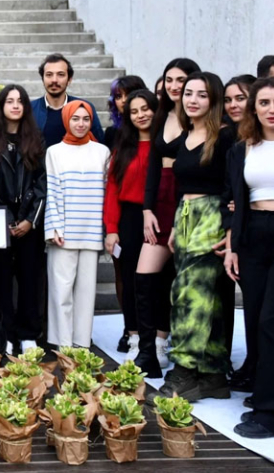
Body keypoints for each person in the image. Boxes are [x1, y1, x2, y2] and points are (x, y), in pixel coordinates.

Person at [148, 72, 237, 402]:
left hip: (212, 218)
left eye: (201, 94)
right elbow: (181, 188)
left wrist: (230, 232)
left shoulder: (226, 138)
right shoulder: (184, 135)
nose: (193, 99)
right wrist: (174, 227)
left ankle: (184, 372)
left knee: (190, 295)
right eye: (188, 93)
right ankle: (213, 373)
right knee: (207, 298)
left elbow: (232, 187)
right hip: (185, 218)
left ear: (213, 100)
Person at [136, 58, 201, 377]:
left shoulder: (199, 117)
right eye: (170, 79)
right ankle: (148, 352)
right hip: (159, 201)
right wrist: (147, 209)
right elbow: (151, 167)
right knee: (145, 276)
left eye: (182, 80)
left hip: (188, 199)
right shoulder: (162, 115)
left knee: (178, 280)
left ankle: (168, 345)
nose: (176, 86)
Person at [225, 77, 274, 439]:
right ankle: (265, 399)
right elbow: (237, 202)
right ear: (254, 109)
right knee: (257, 319)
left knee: (273, 321)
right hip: (252, 238)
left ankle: (271, 413)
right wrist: (232, 246)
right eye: (265, 103)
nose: (273, 109)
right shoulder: (242, 149)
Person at [43, 100, 110, 348]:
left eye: (86, 119)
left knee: (85, 293)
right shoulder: (54, 152)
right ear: (66, 120)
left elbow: (106, 192)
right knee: (61, 292)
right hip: (64, 233)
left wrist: (105, 229)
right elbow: (52, 191)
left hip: (91, 231)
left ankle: (81, 342)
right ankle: (62, 343)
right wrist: (54, 228)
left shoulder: (102, 151)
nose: (80, 124)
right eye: (75, 119)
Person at [0, 85, 47, 355]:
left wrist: (29, 221)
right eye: (9, 101)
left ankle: (28, 333)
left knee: (29, 278)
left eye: (20, 101)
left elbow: (43, 184)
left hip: (29, 223)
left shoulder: (36, 140)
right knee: (1, 279)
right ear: (1, 107)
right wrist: (6, 220)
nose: (15, 105)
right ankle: (6, 333)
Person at [103, 89, 158, 361]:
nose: (140, 115)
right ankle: (134, 333)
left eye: (145, 109)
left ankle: (159, 338)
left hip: (159, 217)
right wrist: (111, 228)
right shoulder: (123, 148)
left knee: (156, 281)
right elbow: (112, 190)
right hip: (129, 219)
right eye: (134, 111)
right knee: (131, 279)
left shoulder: (165, 144)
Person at [31, 53, 104, 148]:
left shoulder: (84, 107)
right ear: (43, 79)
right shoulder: (30, 109)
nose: (54, 80)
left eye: (60, 75)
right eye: (49, 75)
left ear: (69, 79)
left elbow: (99, 143)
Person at [103, 76, 147, 150]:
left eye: (128, 94)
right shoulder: (111, 133)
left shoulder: (152, 128)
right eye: (118, 96)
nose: (123, 100)